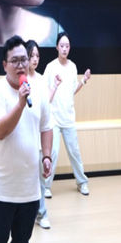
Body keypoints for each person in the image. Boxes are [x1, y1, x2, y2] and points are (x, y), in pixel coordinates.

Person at [0, 35, 53, 243]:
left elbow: (46, 127)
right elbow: (1, 131)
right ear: (5, 65)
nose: (21, 65)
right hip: (3, 187)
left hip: (29, 188)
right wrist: (20, 104)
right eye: (15, 60)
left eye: (24, 59)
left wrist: (47, 156)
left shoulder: (39, 90)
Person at [41, 32, 91, 197]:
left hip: (68, 117)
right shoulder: (50, 67)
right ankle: (46, 185)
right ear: (57, 47)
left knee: (74, 152)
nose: (64, 49)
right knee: (52, 153)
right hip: (53, 119)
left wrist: (83, 80)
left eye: (67, 46)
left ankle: (82, 182)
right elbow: (46, 92)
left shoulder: (73, 67)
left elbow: (72, 91)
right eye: (62, 46)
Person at [24, 40, 57, 230]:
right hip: (24, 136)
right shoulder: (21, 80)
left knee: (40, 179)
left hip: (39, 136)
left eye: (37, 56)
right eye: (31, 56)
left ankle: (41, 213)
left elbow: (46, 106)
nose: (35, 59)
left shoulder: (42, 80)